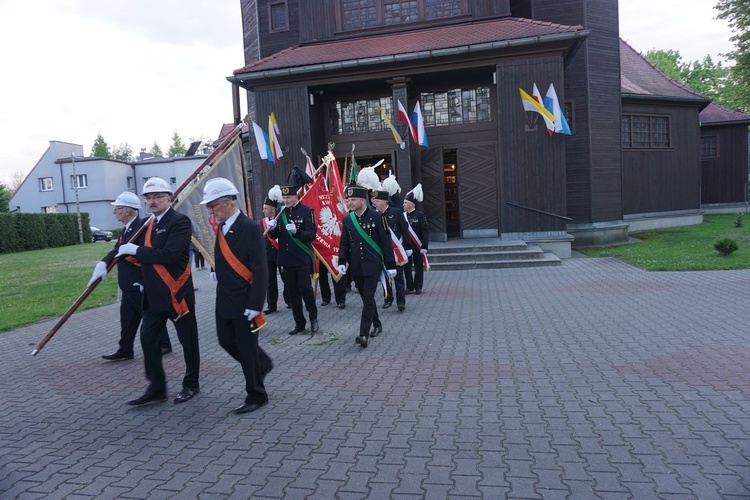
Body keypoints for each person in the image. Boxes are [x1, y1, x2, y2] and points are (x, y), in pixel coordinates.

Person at [116, 177, 200, 406]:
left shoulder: (180, 222)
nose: (152, 202)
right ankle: (157, 387)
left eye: (157, 197)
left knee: (188, 342)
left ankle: (191, 383)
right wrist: (103, 264)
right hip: (153, 296)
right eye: (148, 198)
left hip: (176, 294)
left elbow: (170, 255)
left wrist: (138, 250)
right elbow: (119, 248)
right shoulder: (147, 224)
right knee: (148, 340)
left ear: (169, 199)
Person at [201, 178, 273, 415]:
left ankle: (257, 394)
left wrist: (256, 304)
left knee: (246, 347)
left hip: (245, 299)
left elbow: (260, 268)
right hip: (225, 298)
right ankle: (262, 364)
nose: (210, 210)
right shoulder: (222, 227)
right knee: (225, 341)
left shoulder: (249, 227)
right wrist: (215, 270)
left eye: (213, 205)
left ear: (227, 203)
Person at [88, 191, 172, 361]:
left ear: (127, 210)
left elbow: (146, 254)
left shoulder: (142, 228)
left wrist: (144, 280)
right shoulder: (127, 229)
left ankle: (164, 344)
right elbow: (117, 249)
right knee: (128, 318)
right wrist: (103, 263)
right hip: (128, 284)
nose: (114, 212)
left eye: (117, 209)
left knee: (149, 316)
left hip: (138, 283)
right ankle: (125, 348)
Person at [338, 186, 396, 348]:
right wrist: (342, 261)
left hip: (373, 264)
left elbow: (386, 242)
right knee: (365, 298)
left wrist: (390, 265)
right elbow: (344, 243)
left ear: (363, 201)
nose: (349, 203)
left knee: (369, 297)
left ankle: (363, 333)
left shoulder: (377, 217)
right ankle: (377, 324)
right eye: (348, 200)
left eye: (353, 200)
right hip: (356, 265)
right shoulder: (348, 220)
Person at [266, 178, 319, 335]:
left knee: (305, 288)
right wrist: (272, 228)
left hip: (301, 257)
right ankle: (299, 322)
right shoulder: (280, 211)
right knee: (292, 292)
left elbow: (312, 234)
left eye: (289, 197)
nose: (286, 200)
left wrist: (298, 232)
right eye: (284, 197)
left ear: (296, 196)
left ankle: (313, 318)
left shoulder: (307, 211)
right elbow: (276, 234)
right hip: (286, 259)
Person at [371, 189, 412, 312]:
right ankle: (388, 299)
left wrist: (408, 246)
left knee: (398, 277)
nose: (374, 203)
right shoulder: (373, 215)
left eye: (376, 201)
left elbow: (405, 230)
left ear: (385, 202)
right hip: (382, 251)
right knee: (385, 275)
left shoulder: (396, 212)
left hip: (396, 250)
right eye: (373, 201)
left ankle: (401, 301)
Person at [261, 192, 288, 314]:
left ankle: (289, 300)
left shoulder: (281, 219)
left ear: (272, 210)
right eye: (263, 208)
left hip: (280, 253)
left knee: (286, 278)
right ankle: (272, 305)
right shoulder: (262, 222)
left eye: (265, 208)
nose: (263, 211)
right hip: (268, 255)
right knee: (270, 281)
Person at [402, 184, 429, 294]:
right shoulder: (402, 215)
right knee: (407, 267)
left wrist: (424, 246)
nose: (403, 205)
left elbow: (425, 231)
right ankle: (409, 286)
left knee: (418, 266)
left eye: (405, 203)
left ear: (411, 204)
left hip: (417, 245)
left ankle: (418, 286)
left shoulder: (420, 215)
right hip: (406, 245)